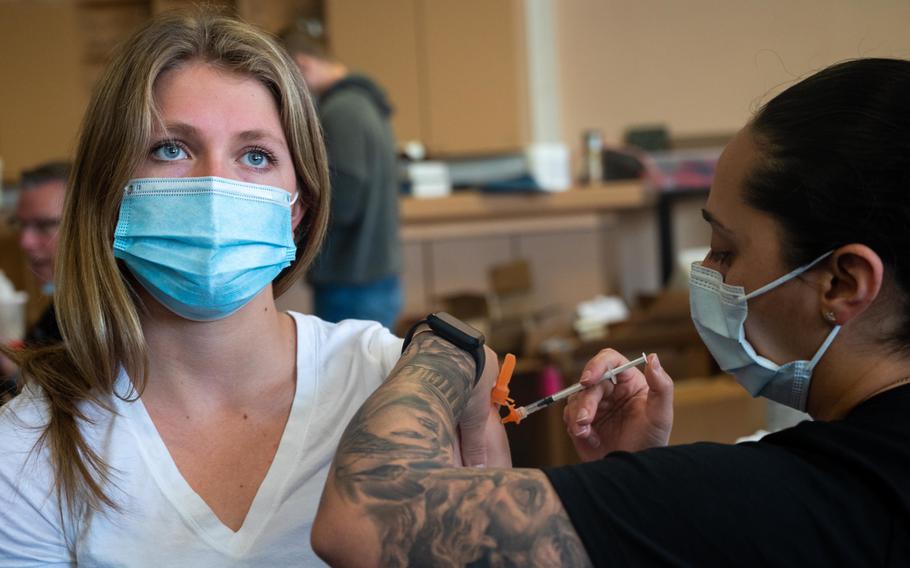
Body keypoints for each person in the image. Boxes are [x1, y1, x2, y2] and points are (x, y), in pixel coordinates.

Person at [312, 58, 910, 566]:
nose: (706, 273)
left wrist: (447, 345)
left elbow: (364, 524)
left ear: (844, 282)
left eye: (727, 251)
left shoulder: (796, 496)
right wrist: (635, 491)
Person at [0, 10, 505, 566]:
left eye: (256, 156)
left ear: (297, 207)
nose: (215, 185)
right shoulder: (31, 444)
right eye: (172, 149)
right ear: (107, 189)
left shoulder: (399, 389)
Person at [280, 24, 403, 330]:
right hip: (372, 275)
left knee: (351, 377)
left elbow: (344, 199)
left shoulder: (342, 111)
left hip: (352, 279)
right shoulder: (365, 104)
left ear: (302, 66)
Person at [0, 161, 69, 400]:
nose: (25, 243)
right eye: (21, 226)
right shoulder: (56, 314)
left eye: (43, 226)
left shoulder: (116, 318)